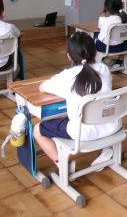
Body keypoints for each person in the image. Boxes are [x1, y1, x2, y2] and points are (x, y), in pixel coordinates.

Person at [33, 32, 117, 168]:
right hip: (111, 125)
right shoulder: (105, 69)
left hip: (83, 132)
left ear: (69, 56)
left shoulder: (67, 77)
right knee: (90, 113)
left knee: (37, 129)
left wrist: (59, 76)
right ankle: (106, 148)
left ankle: (63, 165)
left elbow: (42, 88)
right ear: (95, 52)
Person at [96, 0, 127, 65]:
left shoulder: (102, 18)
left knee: (94, 37)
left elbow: (99, 27)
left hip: (104, 48)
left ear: (106, 6)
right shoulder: (123, 18)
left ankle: (100, 62)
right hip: (121, 47)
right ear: (120, 6)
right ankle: (118, 62)